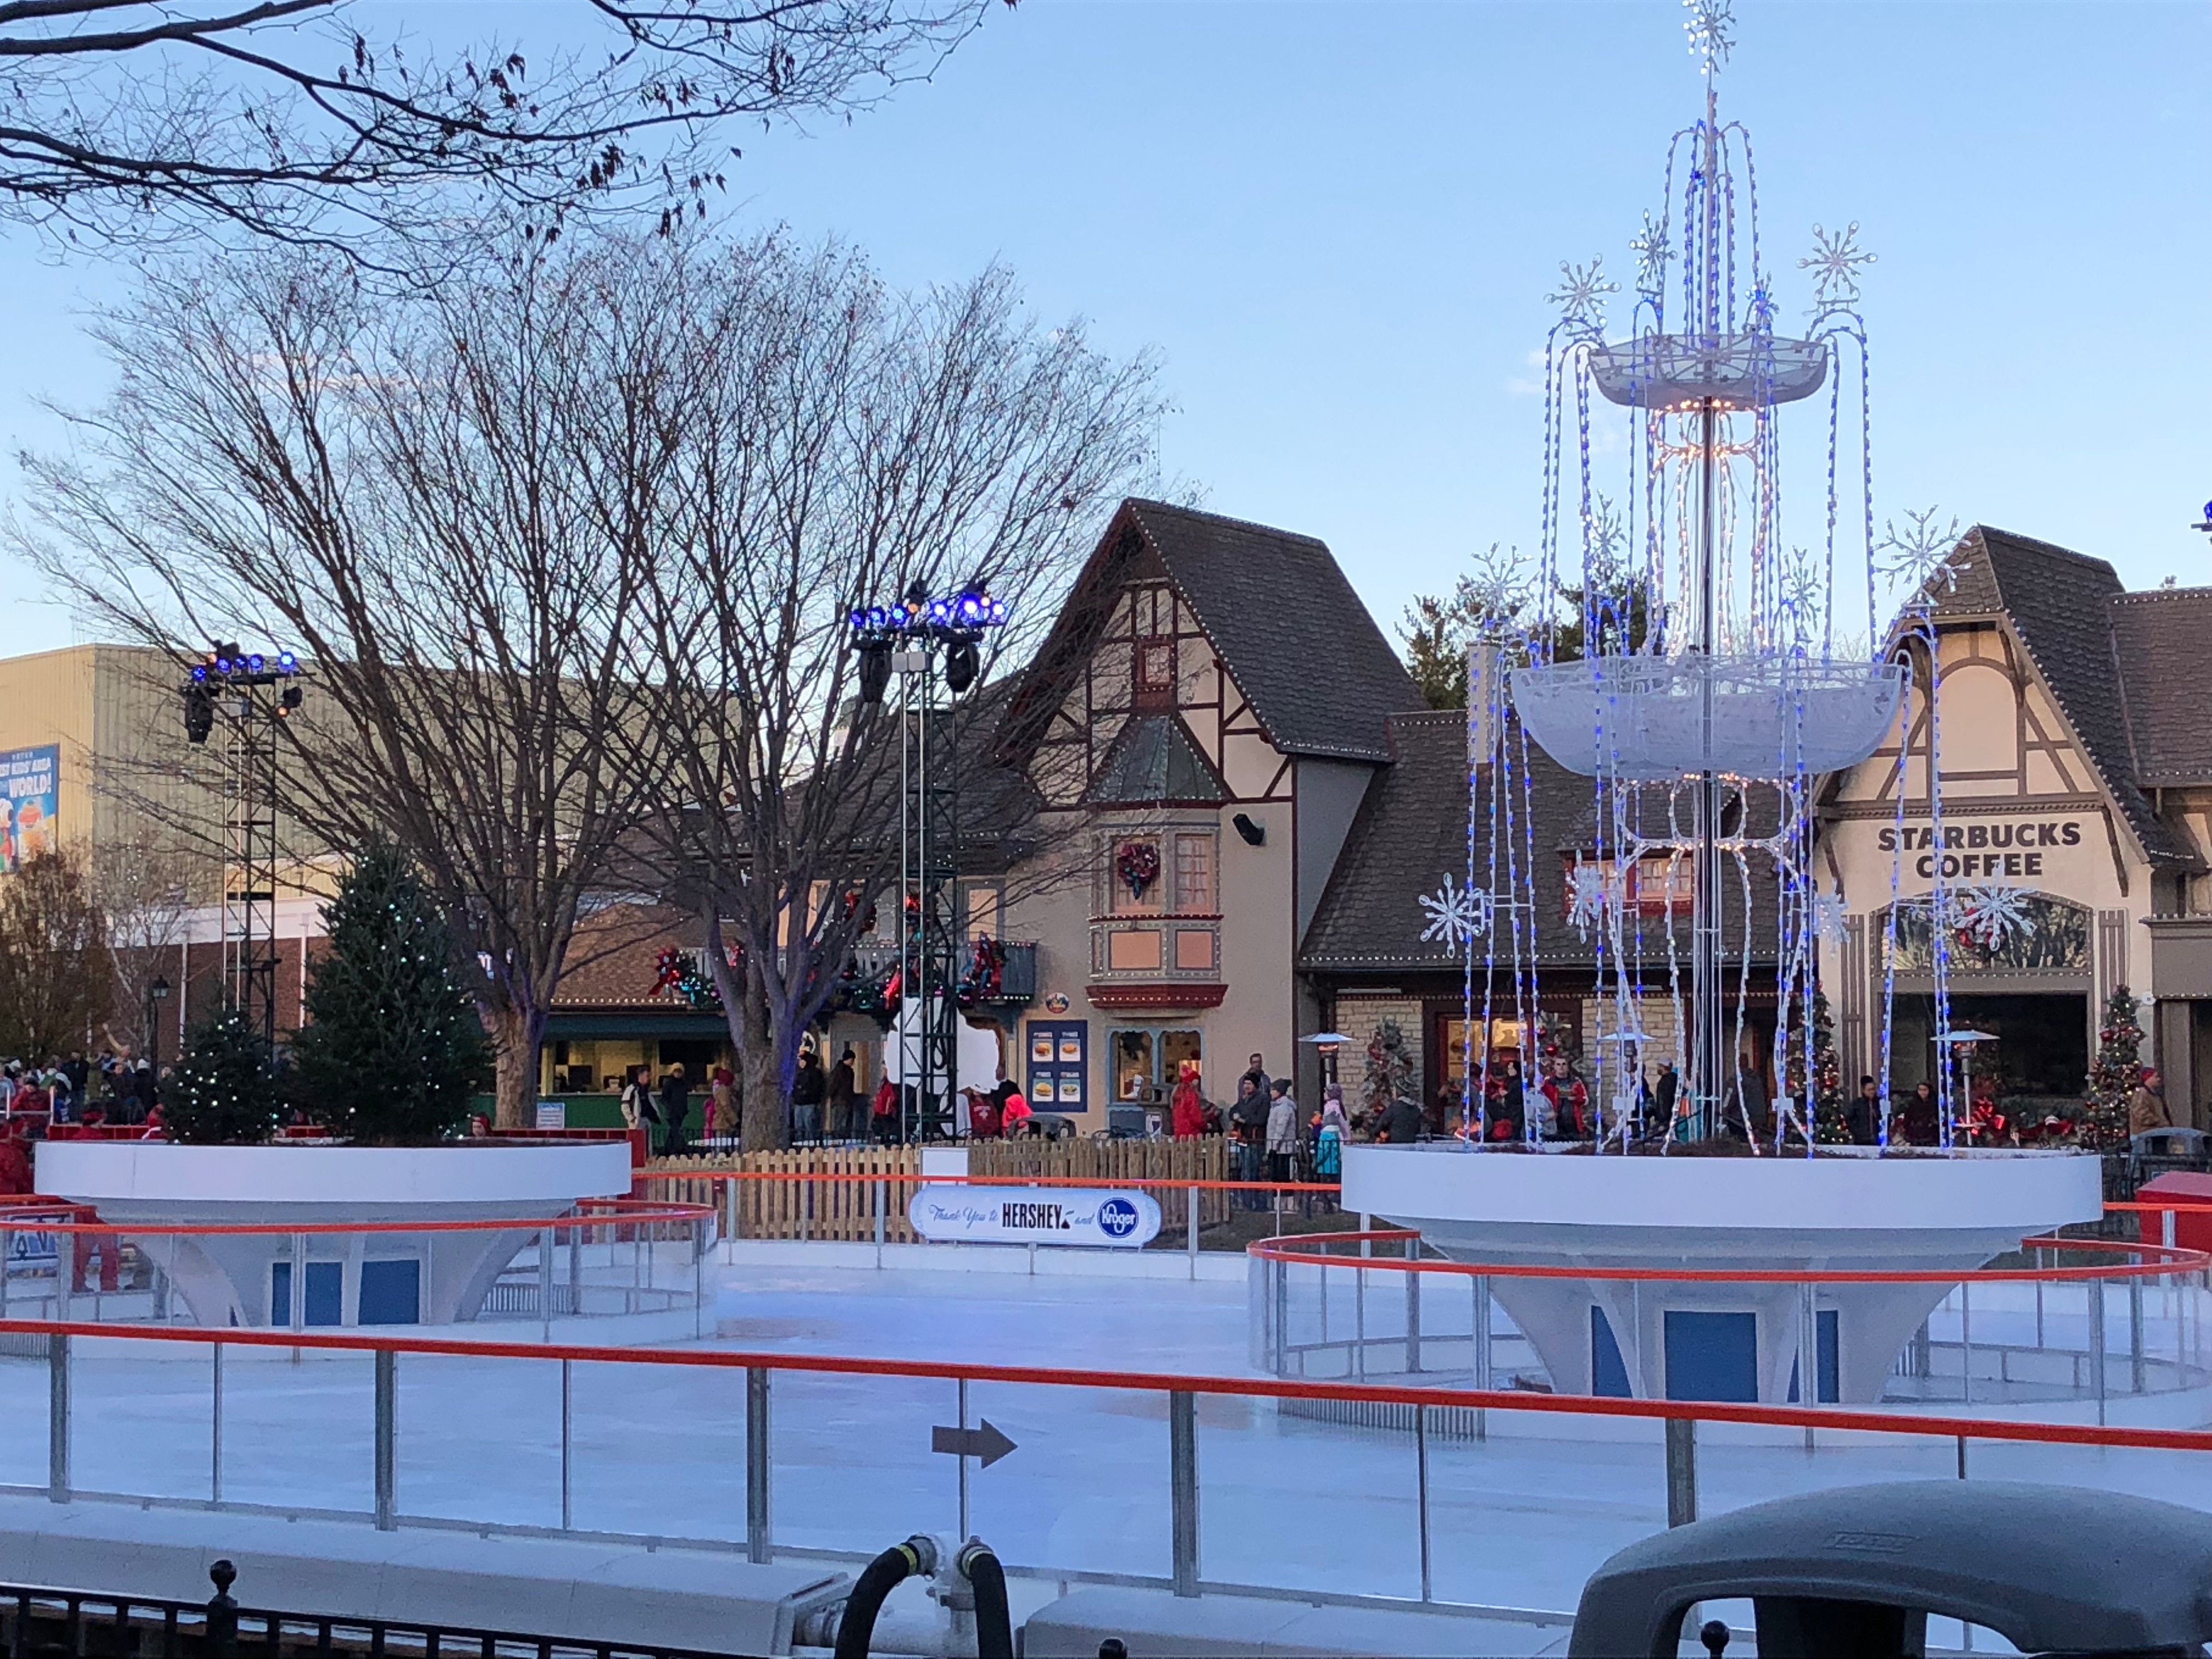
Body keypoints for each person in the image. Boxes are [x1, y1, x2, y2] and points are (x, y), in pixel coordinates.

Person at [1228, 1076, 1268, 1208]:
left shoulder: (1263, 1099)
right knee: (1246, 1173)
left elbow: (1261, 1119)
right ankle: (1248, 1203)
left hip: (1255, 1140)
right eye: (1245, 1084)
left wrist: (1243, 1119)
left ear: (1256, 1085)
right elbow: (1233, 1111)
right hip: (1244, 1140)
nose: (1246, 1086)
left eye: (1249, 1083)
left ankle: (1258, 1204)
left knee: (1254, 1174)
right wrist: (1237, 1116)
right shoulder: (1244, 1100)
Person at [1264, 1078, 1299, 1186]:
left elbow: (1280, 1128)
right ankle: (1278, 1200)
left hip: (1282, 1149)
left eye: (1273, 1090)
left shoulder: (1284, 1107)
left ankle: (1284, 1201)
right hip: (1278, 1148)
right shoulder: (1276, 1106)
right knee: (1275, 1177)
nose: (1271, 1093)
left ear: (1279, 1091)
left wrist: (1274, 1146)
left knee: (1281, 1177)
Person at [789, 1048, 826, 1145]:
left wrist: (806, 1093)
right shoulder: (799, 1073)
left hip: (809, 1103)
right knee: (799, 1127)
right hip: (799, 1103)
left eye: (802, 1060)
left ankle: (810, 1144)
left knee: (809, 1125)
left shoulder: (815, 1073)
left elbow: (817, 1088)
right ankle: (800, 1143)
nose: (800, 1063)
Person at [1313, 1085, 1348, 1180]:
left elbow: (1323, 1153)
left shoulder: (1331, 1107)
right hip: (1335, 1161)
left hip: (1327, 1166)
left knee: (1327, 1175)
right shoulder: (1337, 1106)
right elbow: (1344, 1124)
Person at [827, 1046, 860, 1142]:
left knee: (839, 1122)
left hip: (839, 1100)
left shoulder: (838, 1070)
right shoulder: (844, 1071)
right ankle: (840, 1139)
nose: (853, 1062)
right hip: (843, 1101)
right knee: (842, 1122)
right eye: (853, 1060)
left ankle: (839, 1138)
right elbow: (835, 1085)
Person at [2130, 1068, 2175, 1136]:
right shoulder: (2141, 1093)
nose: (2159, 1079)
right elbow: (2141, 1114)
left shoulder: (2154, 1094)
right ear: (2148, 1078)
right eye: (2156, 1077)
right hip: (2147, 1134)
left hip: (2157, 1133)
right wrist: (2159, 1122)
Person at [659, 1064, 691, 1157]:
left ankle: (668, 1150)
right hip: (672, 1112)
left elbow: (684, 1097)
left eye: (679, 1072)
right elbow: (664, 1098)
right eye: (676, 1072)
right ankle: (680, 1150)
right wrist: (670, 1107)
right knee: (676, 1131)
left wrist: (685, 1109)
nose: (678, 1074)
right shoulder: (669, 1083)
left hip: (681, 1112)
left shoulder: (683, 1083)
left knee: (674, 1131)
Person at [1170, 1061, 1207, 1139]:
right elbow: (1195, 1115)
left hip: (1179, 1131)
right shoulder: (1191, 1094)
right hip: (1192, 1132)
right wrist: (1205, 1125)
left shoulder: (1177, 1093)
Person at [1899, 1080, 1939, 1146]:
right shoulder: (1913, 1102)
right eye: (1920, 1090)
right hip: (1915, 1135)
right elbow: (1908, 1118)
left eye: (1925, 1090)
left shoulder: (1935, 1103)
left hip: (1931, 1135)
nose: (1922, 1093)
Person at [1847, 1076, 1881, 1147]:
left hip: (1877, 1140)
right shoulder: (1857, 1104)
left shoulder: (1879, 1103)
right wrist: (1858, 1134)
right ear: (1864, 1090)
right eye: (1869, 1090)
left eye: (1873, 1089)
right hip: (1861, 1141)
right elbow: (1850, 1120)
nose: (1872, 1092)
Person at [709, 1066, 740, 1139]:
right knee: (723, 1147)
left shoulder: (726, 1090)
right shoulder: (723, 1090)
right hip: (723, 1124)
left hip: (725, 1124)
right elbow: (726, 1107)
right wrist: (736, 1121)